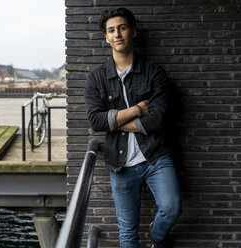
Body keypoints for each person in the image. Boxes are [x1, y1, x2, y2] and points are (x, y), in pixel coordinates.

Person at [84, 7, 182, 248]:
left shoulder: (154, 73)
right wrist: (137, 110)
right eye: (111, 30)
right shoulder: (96, 79)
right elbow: (95, 121)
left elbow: (157, 119)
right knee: (127, 232)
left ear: (133, 32)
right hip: (120, 165)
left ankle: (157, 237)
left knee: (172, 207)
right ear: (106, 37)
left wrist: (115, 123)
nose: (117, 34)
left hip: (156, 156)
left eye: (122, 27)